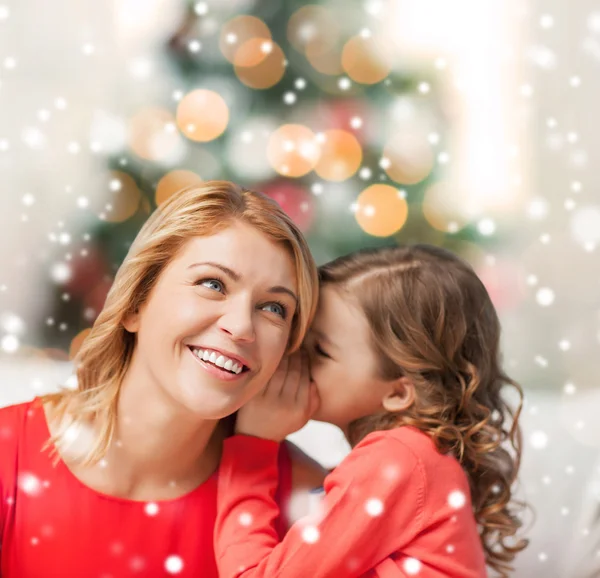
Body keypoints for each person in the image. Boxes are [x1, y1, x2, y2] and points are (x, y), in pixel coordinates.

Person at [0, 181, 326, 577]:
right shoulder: (9, 457)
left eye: (274, 308)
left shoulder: (302, 496)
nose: (242, 327)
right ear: (136, 303)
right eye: (213, 284)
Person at [215, 244, 529, 578]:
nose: (293, 355)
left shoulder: (398, 460)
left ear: (398, 391)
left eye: (320, 350)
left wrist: (253, 445)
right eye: (300, 336)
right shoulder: (416, 461)